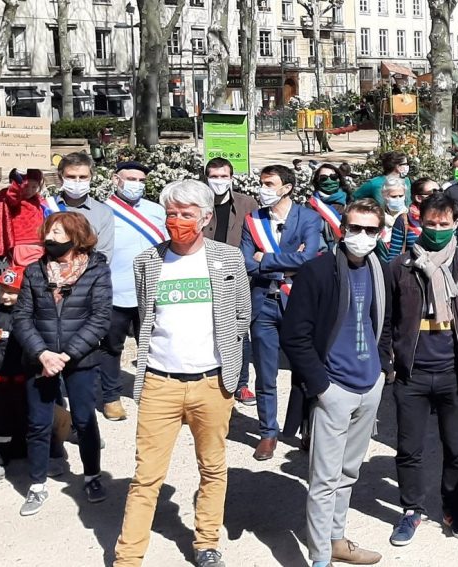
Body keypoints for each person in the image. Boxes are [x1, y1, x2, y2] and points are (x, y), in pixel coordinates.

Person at [114, 180, 251, 567]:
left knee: (212, 468)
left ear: (206, 218)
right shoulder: (148, 261)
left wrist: (227, 356)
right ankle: (128, 556)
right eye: (171, 214)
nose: (177, 222)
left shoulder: (228, 258)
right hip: (160, 383)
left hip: (212, 383)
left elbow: (243, 314)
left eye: (186, 215)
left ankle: (206, 543)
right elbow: (145, 317)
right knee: (146, 476)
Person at [281, 199, 392, 567]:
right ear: (342, 229)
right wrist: (321, 386)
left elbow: (386, 323)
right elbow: (295, 335)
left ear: (380, 233)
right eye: (355, 228)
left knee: (349, 472)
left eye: (370, 230)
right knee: (324, 479)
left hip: (368, 384)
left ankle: (336, 539)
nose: (362, 237)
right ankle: (319, 558)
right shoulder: (317, 272)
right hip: (334, 388)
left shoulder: (381, 269)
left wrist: (383, 369)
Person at [388, 193, 458, 546]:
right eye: (431, 223)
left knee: (456, 447)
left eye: (445, 224)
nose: (438, 230)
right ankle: (411, 510)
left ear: (456, 225)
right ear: (421, 223)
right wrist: (392, 359)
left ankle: (453, 507)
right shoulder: (401, 266)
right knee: (409, 447)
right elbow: (390, 317)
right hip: (412, 372)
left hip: (453, 372)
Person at [14, 212, 112, 516]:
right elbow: (21, 318)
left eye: (58, 233)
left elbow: (100, 318)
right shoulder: (34, 271)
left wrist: (66, 355)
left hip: (79, 360)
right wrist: (43, 354)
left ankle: (92, 476)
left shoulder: (96, 270)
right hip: (39, 359)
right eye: (49, 232)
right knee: (38, 423)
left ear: (77, 235)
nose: (51, 238)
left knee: (84, 420)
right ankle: (37, 484)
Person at [241, 165, 321, 461]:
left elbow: (309, 258)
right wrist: (286, 261)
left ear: (286, 187)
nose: (263, 188)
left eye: (269, 183)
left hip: (299, 305)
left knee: (305, 371)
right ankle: (267, 433)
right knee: (265, 373)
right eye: (262, 183)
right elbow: (245, 262)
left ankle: (308, 428)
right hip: (265, 305)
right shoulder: (253, 220)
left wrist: (267, 258)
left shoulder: (309, 218)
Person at [98, 161, 166, 422]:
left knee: (152, 346)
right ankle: (111, 397)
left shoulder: (156, 211)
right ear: (116, 179)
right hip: (115, 291)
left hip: (151, 291)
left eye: (141, 180)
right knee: (111, 347)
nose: (136, 184)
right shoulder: (104, 211)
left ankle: (153, 394)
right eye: (130, 178)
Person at [201, 157, 259, 407]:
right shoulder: (198, 203)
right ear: (206, 178)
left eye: (224, 176)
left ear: (232, 178)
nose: (219, 181)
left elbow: (259, 232)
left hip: (239, 277)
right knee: (205, 329)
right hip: (203, 273)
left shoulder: (247, 203)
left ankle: (241, 383)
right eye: (214, 176)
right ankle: (208, 381)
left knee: (239, 331)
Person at [0, 267, 28, 489]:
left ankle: (37, 456)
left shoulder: (29, 316)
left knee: (29, 419)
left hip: (24, 381)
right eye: (3, 289)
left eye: (12, 291)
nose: (5, 296)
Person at [54, 152, 115, 262]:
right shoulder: (47, 207)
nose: (77, 181)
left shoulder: (103, 213)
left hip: (89, 276)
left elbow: (104, 255)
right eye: (71, 177)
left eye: (83, 177)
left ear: (91, 177)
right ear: (61, 177)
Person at [0, 168, 46, 267]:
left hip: (39, 244)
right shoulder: (8, 198)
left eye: (34, 187)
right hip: (21, 244)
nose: (29, 190)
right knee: (22, 272)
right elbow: (13, 195)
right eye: (26, 186)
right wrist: (19, 180)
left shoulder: (37, 200)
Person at [308, 163, 350, 251]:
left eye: (333, 177)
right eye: (324, 178)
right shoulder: (310, 206)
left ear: (339, 179)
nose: (329, 180)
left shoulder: (350, 202)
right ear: (317, 181)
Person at [376, 177, 408, 262]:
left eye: (401, 196)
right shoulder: (376, 217)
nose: (398, 199)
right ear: (385, 196)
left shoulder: (409, 219)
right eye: (393, 196)